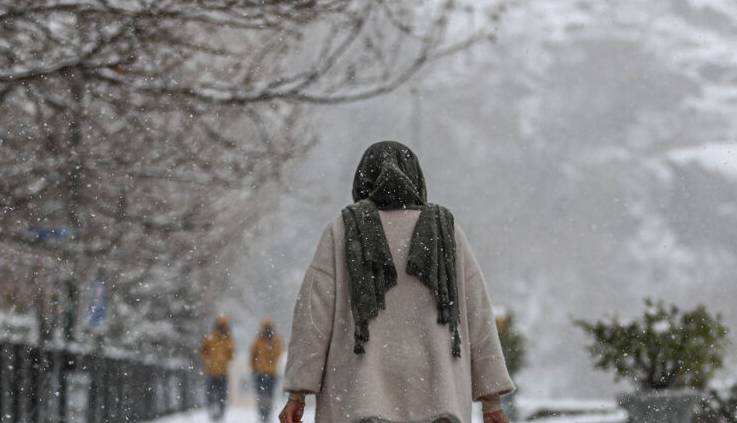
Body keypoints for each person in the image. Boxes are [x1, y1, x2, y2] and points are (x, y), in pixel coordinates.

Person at [279, 141, 515, 423]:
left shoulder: (342, 231)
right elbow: (478, 316)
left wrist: (298, 392)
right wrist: (491, 400)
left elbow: (313, 318)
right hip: (438, 396)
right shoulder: (445, 231)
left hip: (359, 398)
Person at [200, 316, 235, 421]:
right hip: (211, 371)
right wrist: (208, 360)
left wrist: (224, 359)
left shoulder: (229, 339)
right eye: (222, 326)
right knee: (211, 394)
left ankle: (220, 414)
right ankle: (212, 412)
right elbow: (203, 351)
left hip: (223, 372)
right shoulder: (210, 337)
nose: (223, 328)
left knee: (222, 394)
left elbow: (231, 354)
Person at [250, 319, 285, 422]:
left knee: (269, 395)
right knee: (261, 396)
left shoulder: (276, 341)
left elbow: (279, 354)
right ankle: (262, 414)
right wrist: (254, 368)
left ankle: (267, 415)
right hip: (260, 373)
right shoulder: (258, 341)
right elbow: (252, 355)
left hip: (272, 373)